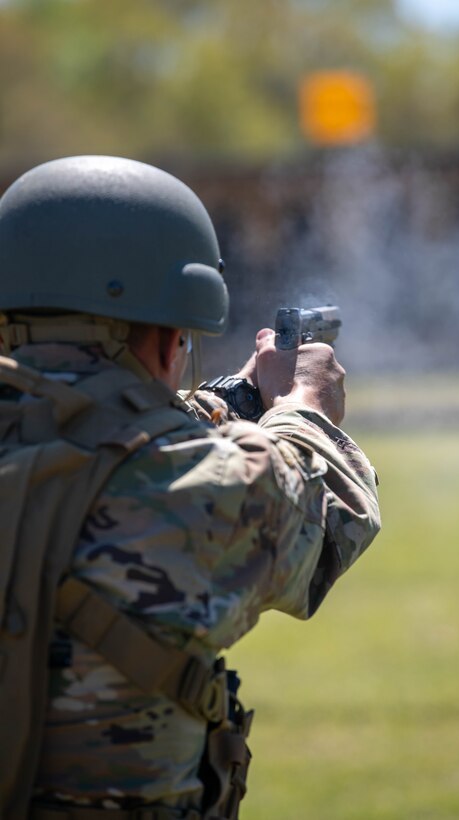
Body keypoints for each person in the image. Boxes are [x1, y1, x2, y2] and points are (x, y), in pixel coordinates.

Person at [0, 155, 380, 820]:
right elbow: (326, 525)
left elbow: (87, 416)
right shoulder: (221, 487)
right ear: (167, 333)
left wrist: (234, 400)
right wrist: (305, 405)